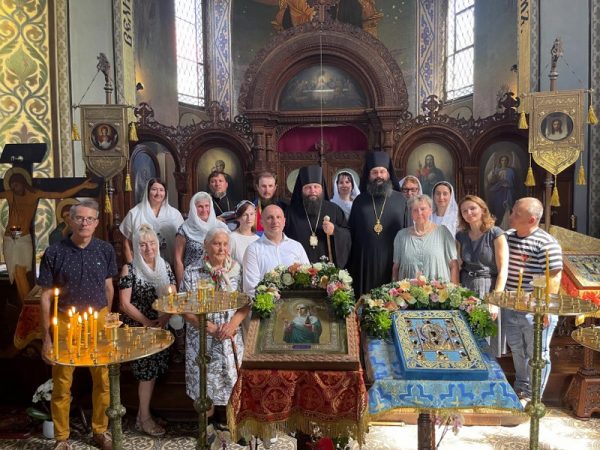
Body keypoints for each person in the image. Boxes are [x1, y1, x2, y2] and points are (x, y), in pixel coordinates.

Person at [38, 200, 117, 450]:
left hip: (98, 321)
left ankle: (100, 431)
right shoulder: (54, 252)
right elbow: (46, 296)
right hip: (65, 322)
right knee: (62, 382)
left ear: (96, 223)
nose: (85, 223)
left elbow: (108, 288)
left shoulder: (105, 250)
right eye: (80, 218)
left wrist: (107, 318)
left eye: (90, 219)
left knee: (103, 381)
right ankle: (62, 437)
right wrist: (47, 338)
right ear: (70, 220)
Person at [182, 228, 248, 428]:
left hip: (230, 337)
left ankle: (232, 426)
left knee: (233, 382)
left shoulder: (237, 269)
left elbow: (246, 303)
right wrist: (209, 328)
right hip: (203, 338)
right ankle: (206, 429)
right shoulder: (192, 271)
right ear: (206, 245)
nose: (221, 248)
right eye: (216, 243)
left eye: (225, 244)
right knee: (204, 385)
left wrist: (231, 326)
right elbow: (184, 308)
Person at [503, 197, 562, 403]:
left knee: (537, 352)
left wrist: (545, 308)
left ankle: (534, 397)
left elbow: (554, 276)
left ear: (532, 220)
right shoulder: (508, 237)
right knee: (517, 349)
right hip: (512, 305)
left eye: (516, 214)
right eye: (513, 212)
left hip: (535, 308)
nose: (511, 217)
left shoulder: (546, 243)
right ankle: (521, 389)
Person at [119, 224, 175, 437]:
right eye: (142, 245)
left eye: (151, 243)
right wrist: (146, 322)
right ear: (136, 246)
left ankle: (143, 413)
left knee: (155, 373)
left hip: (160, 326)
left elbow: (173, 296)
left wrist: (165, 317)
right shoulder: (130, 268)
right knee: (147, 374)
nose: (148, 248)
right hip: (139, 331)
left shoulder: (165, 266)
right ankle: (144, 419)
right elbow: (124, 304)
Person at [0, 168, 97, 283]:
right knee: (14, 273)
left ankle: (25, 300)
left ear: (23, 183)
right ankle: (23, 300)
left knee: (23, 272)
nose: (14, 188)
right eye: (12, 185)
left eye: (16, 185)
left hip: (23, 237)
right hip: (10, 237)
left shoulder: (34, 194)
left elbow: (61, 194)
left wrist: (81, 186)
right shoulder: (10, 194)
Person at [348, 152, 406, 296]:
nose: (378, 175)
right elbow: (351, 234)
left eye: (382, 172)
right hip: (364, 261)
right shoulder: (359, 201)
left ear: (388, 174)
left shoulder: (400, 200)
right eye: (374, 172)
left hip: (393, 260)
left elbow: (407, 230)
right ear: (369, 175)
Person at [456, 195, 508, 356]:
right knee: (466, 338)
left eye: (473, 208)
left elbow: (503, 269)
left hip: (488, 287)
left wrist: (495, 301)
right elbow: (457, 265)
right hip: (466, 286)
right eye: (464, 210)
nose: (469, 213)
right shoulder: (461, 235)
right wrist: (457, 293)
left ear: (482, 209)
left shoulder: (495, 233)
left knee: (486, 340)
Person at [284, 165, 351, 267]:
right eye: (308, 187)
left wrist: (335, 231)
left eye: (316, 187)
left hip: (327, 270)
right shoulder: (290, 212)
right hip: (298, 270)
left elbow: (348, 235)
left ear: (321, 189)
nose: (312, 191)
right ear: (301, 190)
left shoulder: (334, 210)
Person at [243, 204, 309, 297]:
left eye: (278, 217)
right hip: (268, 308)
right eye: (270, 218)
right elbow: (251, 288)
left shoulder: (297, 246)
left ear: (284, 221)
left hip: (296, 306)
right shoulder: (253, 249)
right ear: (261, 222)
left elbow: (308, 277)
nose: (275, 221)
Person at [392, 195, 459, 283]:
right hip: (408, 293)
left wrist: (454, 291)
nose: (419, 213)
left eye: (423, 209)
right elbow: (396, 268)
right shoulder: (401, 235)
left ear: (430, 210)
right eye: (415, 210)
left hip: (440, 291)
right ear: (411, 214)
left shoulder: (443, 232)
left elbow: (453, 264)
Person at [120, 178, 183, 267]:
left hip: (171, 266)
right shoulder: (134, 213)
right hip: (142, 267)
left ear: (165, 193)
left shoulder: (175, 214)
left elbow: (182, 242)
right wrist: (132, 266)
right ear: (148, 191)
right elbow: (126, 242)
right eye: (154, 190)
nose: (158, 193)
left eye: (161, 190)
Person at [174, 192, 229, 288]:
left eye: (207, 206)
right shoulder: (185, 229)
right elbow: (178, 259)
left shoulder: (221, 226)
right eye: (200, 206)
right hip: (192, 279)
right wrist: (181, 284)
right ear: (193, 209)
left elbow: (228, 253)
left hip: (219, 276)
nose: (204, 210)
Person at [487, 154, 517, 229]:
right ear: (500, 161)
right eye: (502, 160)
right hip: (498, 192)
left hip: (508, 192)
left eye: (506, 160)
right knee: (498, 207)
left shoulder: (511, 171)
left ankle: (507, 226)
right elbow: (491, 180)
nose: (504, 162)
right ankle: (499, 225)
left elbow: (514, 182)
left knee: (507, 208)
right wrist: (493, 173)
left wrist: (508, 184)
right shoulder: (496, 170)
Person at [252, 171, 287, 236]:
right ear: (257, 187)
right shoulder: (250, 208)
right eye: (263, 186)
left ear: (275, 187)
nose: (267, 190)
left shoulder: (285, 208)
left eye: (270, 186)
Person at [228, 200, 259, 266]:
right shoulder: (232, 238)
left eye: (251, 214)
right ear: (238, 218)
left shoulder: (258, 239)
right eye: (245, 215)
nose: (249, 218)